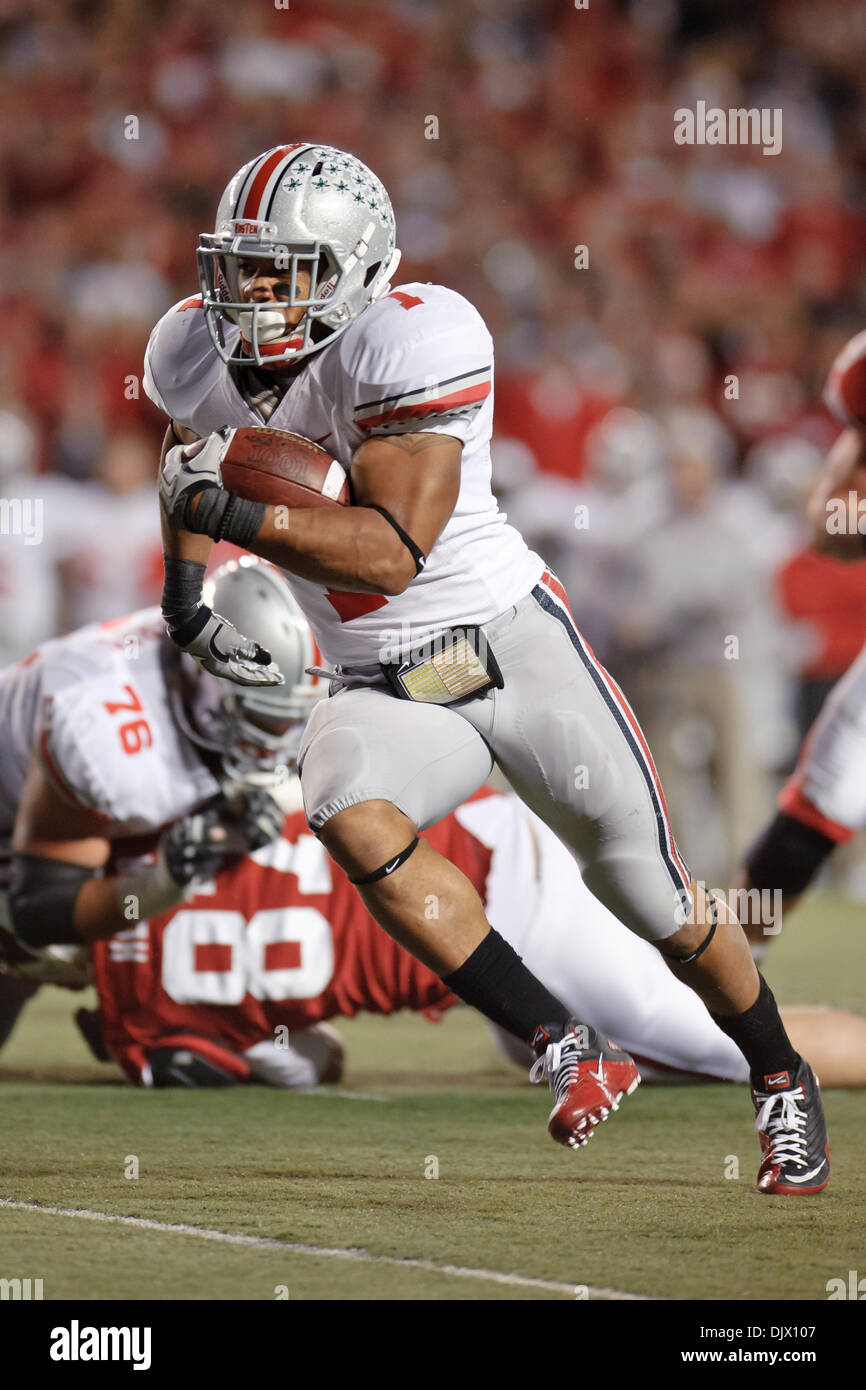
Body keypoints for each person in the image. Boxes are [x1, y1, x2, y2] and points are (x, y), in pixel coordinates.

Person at [144, 144, 827, 1192]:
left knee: (654, 896)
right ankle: (564, 1042)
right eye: (238, 270)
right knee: (343, 803)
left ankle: (779, 1076)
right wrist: (187, 597)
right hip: (379, 681)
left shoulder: (413, 338)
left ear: (355, 268)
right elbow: (187, 462)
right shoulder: (192, 352)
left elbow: (389, 549)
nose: (249, 299)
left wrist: (229, 513)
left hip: (505, 645)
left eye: (281, 273)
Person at [65, 784, 866, 1092]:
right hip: (480, 839)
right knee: (528, 1051)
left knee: (728, 1047)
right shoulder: (150, 834)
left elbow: (315, 1061)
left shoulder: (143, 1024)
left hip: (506, 913)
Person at [0, 558, 322, 1033]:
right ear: (207, 682)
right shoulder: (106, 740)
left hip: (50, 803)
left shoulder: (197, 655)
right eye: (264, 721)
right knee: (52, 947)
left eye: (293, 720)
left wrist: (232, 813)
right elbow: (40, 910)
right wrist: (161, 883)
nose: (279, 741)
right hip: (22, 829)